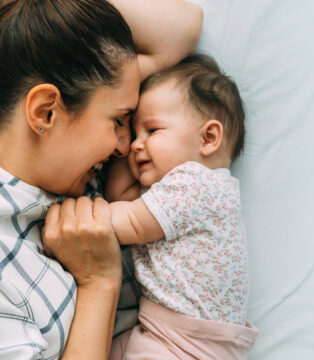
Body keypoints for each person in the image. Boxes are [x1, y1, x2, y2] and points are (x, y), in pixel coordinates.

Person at [0, 0, 202, 359]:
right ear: (45, 112)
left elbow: (182, 29)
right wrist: (98, 283)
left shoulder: (70, 168)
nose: (126, 146)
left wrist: (37, 10)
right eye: (118, 120)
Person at [104, 54, 258, 359]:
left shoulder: (196, 183)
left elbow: (129, 222)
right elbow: (120, 196)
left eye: (152, 130)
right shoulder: (180, 190)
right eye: (135, 133)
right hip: (172, 334)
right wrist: (135, 145)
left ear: (209, 137)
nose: (135, 144)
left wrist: (77, 216)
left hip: (186, 342)